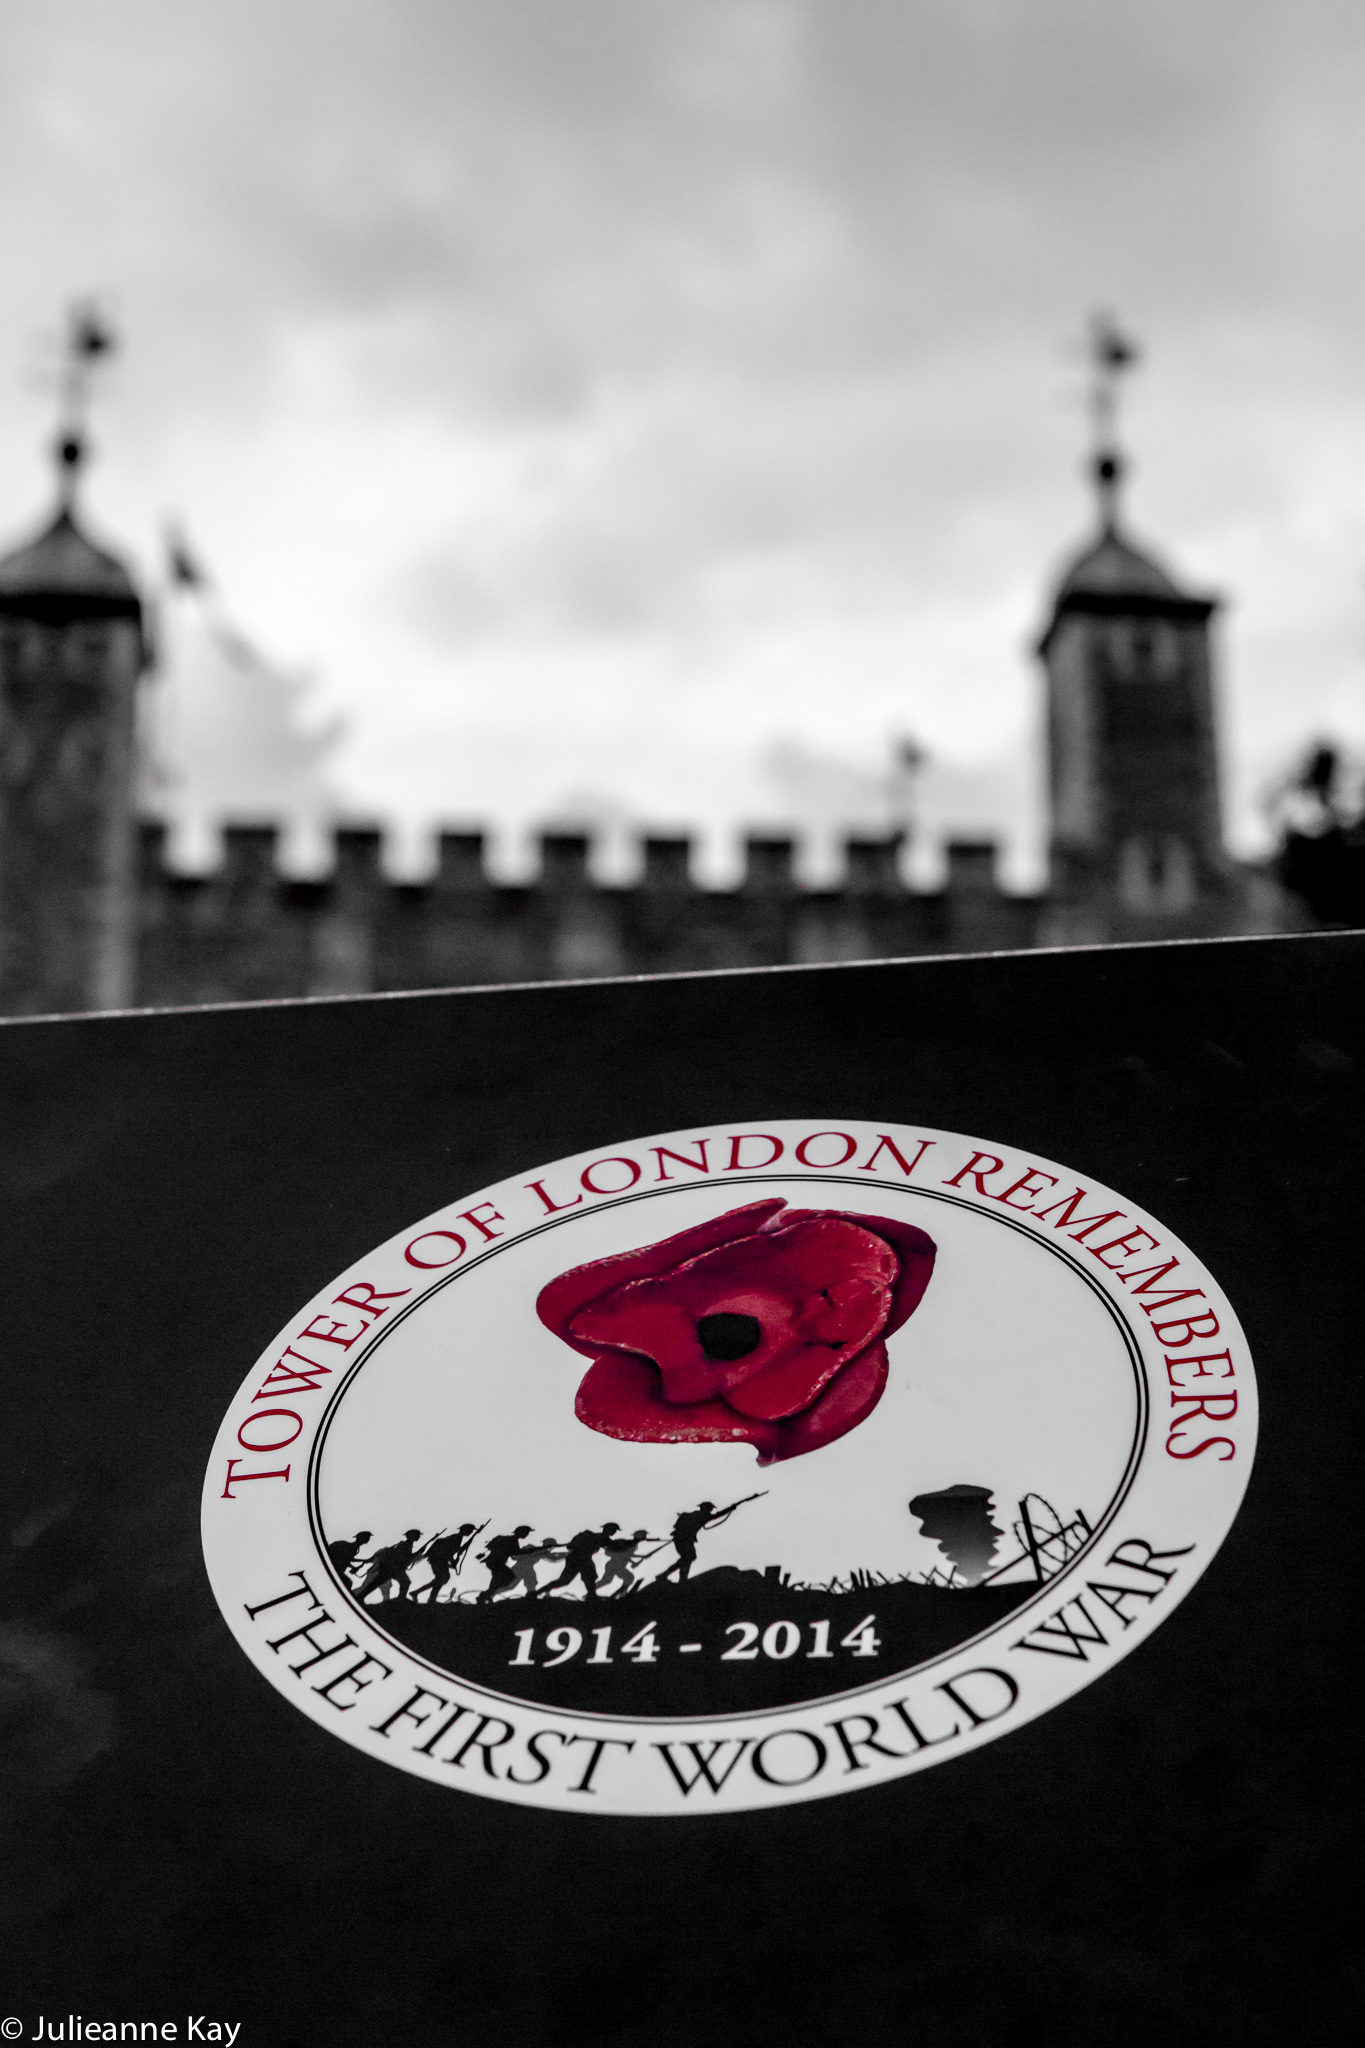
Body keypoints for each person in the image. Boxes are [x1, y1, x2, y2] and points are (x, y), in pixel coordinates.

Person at [656, 1501, 738, 1584]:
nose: (711, 1510)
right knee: (689, 1557)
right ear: (706, 1508)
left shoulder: (693, 1514)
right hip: (685, 1539)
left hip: (680, 1538)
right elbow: (717, 1515)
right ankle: (672, 1576)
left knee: (687, 1558)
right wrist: (730, 1508)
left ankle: (678, 1578)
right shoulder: (703, 1515)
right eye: (710, 1508)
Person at [543, 1522, 615, 1599]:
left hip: (577, 1558)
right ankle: (537, 1593)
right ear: (607, 1529)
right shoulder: (601, 1537)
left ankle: (591, 1595)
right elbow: (614, 1546)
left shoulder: (594, 1536)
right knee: (568, 1580)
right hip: (580, 1558)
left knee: (585, 1578)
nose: (614, 1532)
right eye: (613, 1530)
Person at [353, 1528, 423, 1604]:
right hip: (392, 1569)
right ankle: (401, 1599)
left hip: (391, 1569)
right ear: (412, 1536)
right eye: (418, 1535)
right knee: (404, 1582)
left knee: (375, 1584)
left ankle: (361, 1596)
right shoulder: (405, 1545)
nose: (419, 1537)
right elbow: (404, 1558)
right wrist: (418, 1553)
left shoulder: (405, 1544)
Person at [420, 1523, 478, 1603]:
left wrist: (454, 1559)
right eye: (470, 1530)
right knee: (442, 1578)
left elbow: (451, 1551)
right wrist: (452, 1561)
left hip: (439, 1559)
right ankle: (430, 1598)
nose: (471, 1532)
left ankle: (423, 1595)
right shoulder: (456, 1538)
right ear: (464, 1530)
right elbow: (448, 1551)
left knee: (442, 1578)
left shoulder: (457, 1538)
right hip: (438, 1559)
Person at [477, 1525, 535, 1605]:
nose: (527, 1534)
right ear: (520, 1532)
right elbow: (516, 1553)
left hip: (493, 1562)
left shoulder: (506, 1539)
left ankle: (486, 1596)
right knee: (509, 1576)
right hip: (496, 1562)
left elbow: (490, 1546)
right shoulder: (512, 1541)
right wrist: (534, 1550)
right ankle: (485, 1595)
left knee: (497, 1579)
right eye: (526, 1532)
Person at [597, 1527, 655, 1598]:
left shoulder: (633, 1545)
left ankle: (590, 1593)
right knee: (629, 1578)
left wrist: (634, 1562)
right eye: (643, 1535)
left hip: (614, 1565)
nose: (645, 1537)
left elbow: (625, 1556)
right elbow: (624, 1555)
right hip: (615, 1565)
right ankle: (622, 1595)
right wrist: (641, 1556)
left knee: (606, 1580)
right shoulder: (628, 1543)